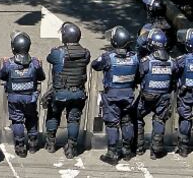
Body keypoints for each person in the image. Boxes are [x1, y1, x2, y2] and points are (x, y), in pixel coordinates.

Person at [91, 26, 139, 165]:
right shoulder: (135, 57)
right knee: (127, 121)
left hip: (112, 96)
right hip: (128, 95)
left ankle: (112, 153)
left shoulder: (108, 57)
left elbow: (95, 65)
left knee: (112, 124)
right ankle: (127, 151)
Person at [44, 22, 90, 158]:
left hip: (60, 93)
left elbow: (49, 58)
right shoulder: (86, 53)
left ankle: (51, 143)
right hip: (78, 93)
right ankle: (71, 147)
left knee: (53, 115)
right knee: (73, 119)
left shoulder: (58, 53)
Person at [0, 32, 44, 157]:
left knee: (17, 121)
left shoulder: (9, 64)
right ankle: (33, 143)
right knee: (32, 118)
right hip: (30, 98)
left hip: (14, 99)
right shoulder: (34, 63)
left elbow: (1, 75)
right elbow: (42, 77)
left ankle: (20, 146)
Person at [134, 29, 175, 158]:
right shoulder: (172, 62)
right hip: (164, 97)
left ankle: (138, 147)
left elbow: (138, 76)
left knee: (135, 116)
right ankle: (156, 151)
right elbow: (175, 77)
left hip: (147, 97)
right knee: (159, 120)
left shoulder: (146, 62)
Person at [173, 29, 193, 157]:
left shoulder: (183, 59)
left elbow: (172, 70)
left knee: (185, 118)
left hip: (186, 94)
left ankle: (184, 148)